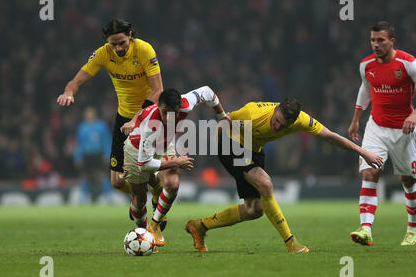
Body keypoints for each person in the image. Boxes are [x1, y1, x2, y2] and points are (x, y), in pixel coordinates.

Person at [185, 99, 383, 253]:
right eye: (276, 121)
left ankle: (200, 226)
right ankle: (291, 243)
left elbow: (330, 136)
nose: (277, 127)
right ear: (276, 110)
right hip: (231, 143)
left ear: (293, 121)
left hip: (253, 149)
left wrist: (363, 152)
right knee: (265, 184)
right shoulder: (252, 113)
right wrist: (212, 149)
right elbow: (223, 123)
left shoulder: (301, 120)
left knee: (254, 209)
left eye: (283, 125)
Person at [56, 19, 165, 226]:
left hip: (149, 115)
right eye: (113, 44)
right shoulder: (103, 54)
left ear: (130, 35)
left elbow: (158, 90)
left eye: (122, 42)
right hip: (124, 118)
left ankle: (147, 212)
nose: (118, 48)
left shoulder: (144, 50)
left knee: (143, 169)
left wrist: (137, 118)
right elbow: (77, 80)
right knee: (117, 182)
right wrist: (69, 91)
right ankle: (150, 191)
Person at [124, 86, 230, 248]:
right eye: (165, 112)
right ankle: (143, 237)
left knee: (173, 184)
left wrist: (222, 116)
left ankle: (153, 226)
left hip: (165, 145)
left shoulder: (186, 103)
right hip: (136, 150)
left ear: (180, 108)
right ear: (159, 106)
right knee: (139, 201)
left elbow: (208, 92)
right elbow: (144, 164)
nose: (168, 117)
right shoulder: (150, 125)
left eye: (173, 113)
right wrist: (176, 162)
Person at [348, 21, 416, 246]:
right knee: (369, 173)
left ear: (392, 41)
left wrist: (414, 115)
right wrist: (356, 119)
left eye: (381, 40)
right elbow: (365, 90)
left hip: (404, 130)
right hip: (376, 128)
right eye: (372, 40)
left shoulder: (408, 64)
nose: (375, 45)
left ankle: (412, 229)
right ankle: (365, 229)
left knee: (408, 180)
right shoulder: (366, 65)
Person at [74, 106, 112, 203]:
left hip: (98, 153)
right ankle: (83, 197)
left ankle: (109, 196)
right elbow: (79, 143)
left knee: (102, 175)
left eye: (91, 113)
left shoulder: (101, 126)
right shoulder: (82, 127)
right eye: (87, 113)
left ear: (95, 114)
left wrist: (107, 154)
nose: (89, 115)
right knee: (85, 175)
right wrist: (77, 157)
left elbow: (107, 140)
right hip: (87, 154)